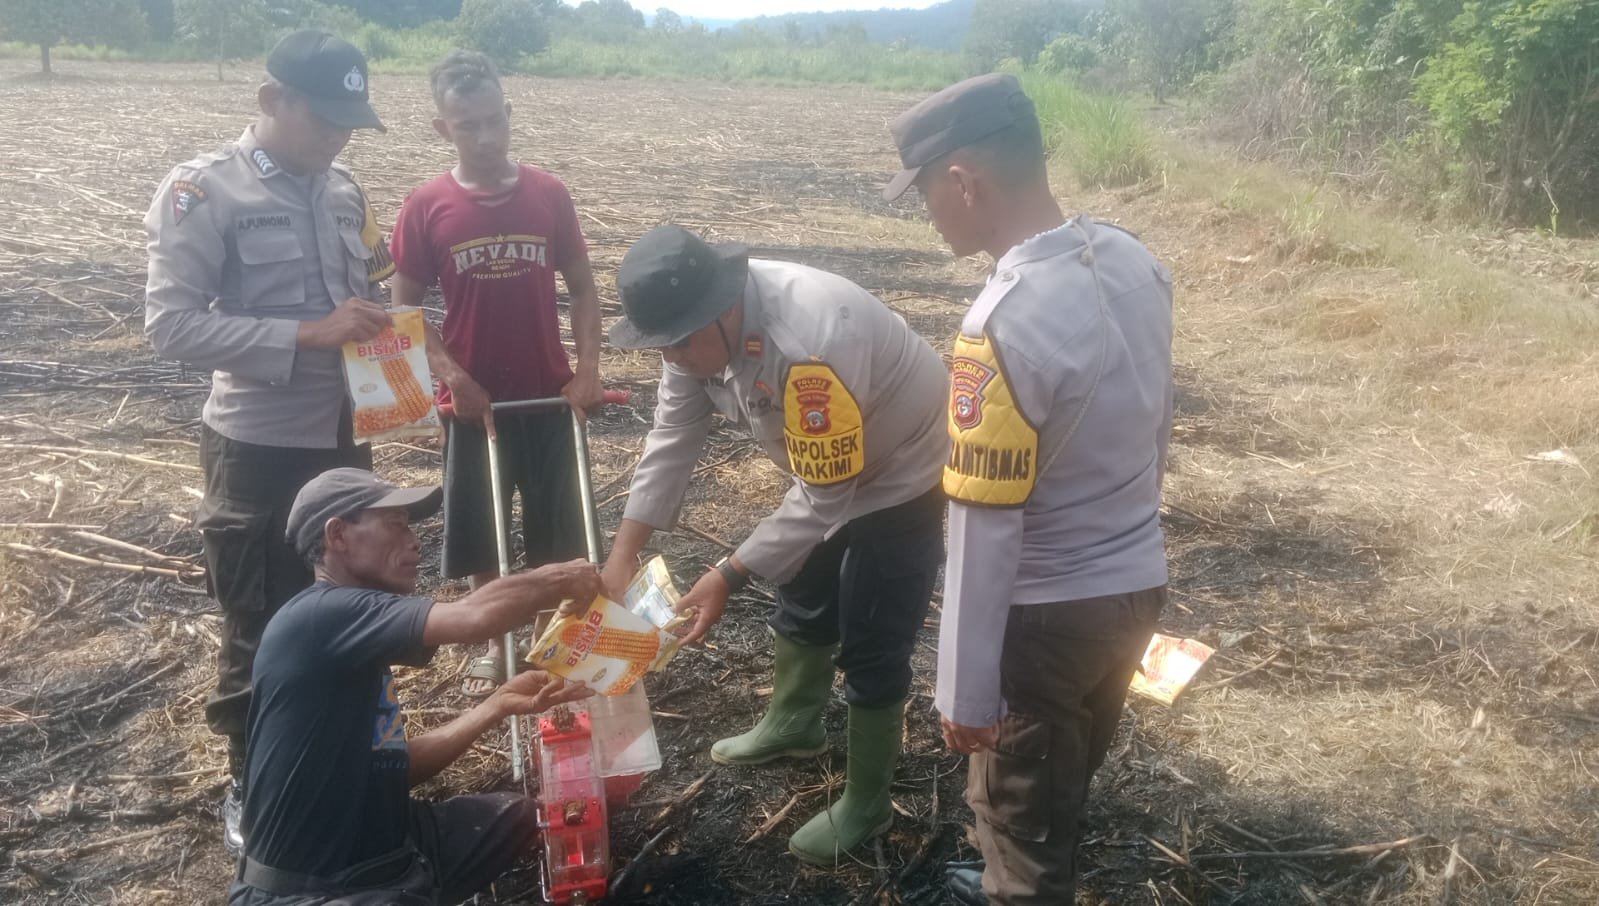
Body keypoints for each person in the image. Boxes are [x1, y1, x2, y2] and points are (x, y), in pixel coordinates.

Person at [883, 73, 1175, 906]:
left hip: (1044, 618)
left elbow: (982, 521)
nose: (928, 213)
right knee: (1060, 783)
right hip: (1133, 583)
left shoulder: (1000, 326)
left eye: (925, 195)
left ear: (963, 182)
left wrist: (964, 689)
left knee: (1020, 829)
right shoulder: (1132, 259)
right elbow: (1157, 419)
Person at [600, 224, 948, 865]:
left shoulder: (811, 342)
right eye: (660, 346)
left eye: (679, 342)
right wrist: (621, 556)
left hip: (901, 467)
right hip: (822, 466)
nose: (671, 357)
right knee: (803, 584)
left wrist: (727, 574)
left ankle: (867, 802)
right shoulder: (693, 338)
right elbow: (672, 436)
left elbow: (825, 497)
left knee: (874, 633)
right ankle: (795, 723)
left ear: (723, 308)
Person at [143, 29, 396, 854]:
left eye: (348, 124)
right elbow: (171, 325)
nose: (336, 137)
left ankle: (348, 758)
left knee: (353, 606)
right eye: (323, 119)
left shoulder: (343, 190)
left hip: (343, 441)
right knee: (260, 621)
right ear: (271, 101)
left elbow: (357, 293)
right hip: (258, 450)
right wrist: (307, 335)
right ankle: (255, 786)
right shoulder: (200, 191)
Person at [230, 467, 599, 905]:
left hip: (387, 848)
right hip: (311, 890)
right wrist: (558, 581)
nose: (415, 539)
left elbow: (390, 768)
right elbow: (472, 616)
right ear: (338, 535)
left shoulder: (351, 636)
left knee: (516, 817)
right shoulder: (318, 614)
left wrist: (497, 705)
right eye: (396, 524)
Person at [388, 50, 603, 698]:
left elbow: (585, 289)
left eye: (492, 121)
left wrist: (586, 370)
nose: (483, 137)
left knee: (557, 530)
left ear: (508, 114)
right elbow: (403, 306)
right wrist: (452, 373)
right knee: (481, 531)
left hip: (546, 392)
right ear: (441, 128)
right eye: (466, 125)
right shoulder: (427, 205)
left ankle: (543, 641)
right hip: (473, 401)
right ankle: (499, 638)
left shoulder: (548, 194)